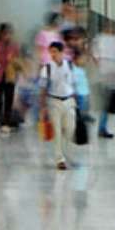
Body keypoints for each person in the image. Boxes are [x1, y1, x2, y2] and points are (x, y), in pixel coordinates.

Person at [38, 41, 76, 170]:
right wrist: (43, 107)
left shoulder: (69, 65)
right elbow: (42, 88)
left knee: (70, 129)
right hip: (54, 101)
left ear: (61, 52)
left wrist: (75, 101)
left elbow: (73, 84)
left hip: (69, 101)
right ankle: (60, 159)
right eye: (51, 52)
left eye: (55, 52)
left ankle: (66, 154)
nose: (52, 54)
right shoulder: (47, 68)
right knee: (57, 131)